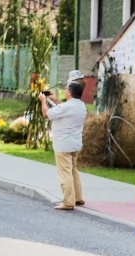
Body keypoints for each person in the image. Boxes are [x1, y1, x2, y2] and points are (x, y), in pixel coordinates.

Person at [39, 81, 88, 210]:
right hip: (75, 144)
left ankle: (68, 202)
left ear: (70, 92)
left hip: (63, 144)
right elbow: (65, 110)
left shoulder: (67, 107)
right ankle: (78, 198)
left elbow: (46, 114)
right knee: (73, 171)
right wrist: (55, 99)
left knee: (65, 173)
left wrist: (43, 101)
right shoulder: (81, 106)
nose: (65, 90)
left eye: (67, 89)